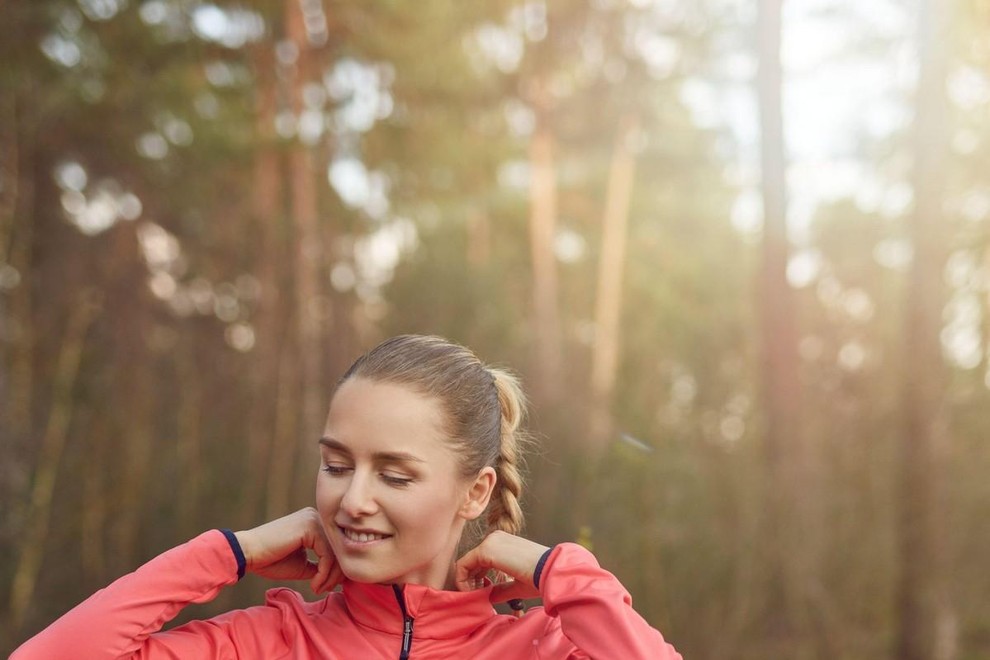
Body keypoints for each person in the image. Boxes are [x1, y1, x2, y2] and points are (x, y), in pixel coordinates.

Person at [13, 334, 681, 659]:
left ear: (475, 492)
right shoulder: (269, 641)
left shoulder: (542, 647)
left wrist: (556, 570)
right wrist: (228, 554)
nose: (352, 500)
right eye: (336, 465)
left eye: (394, 475)